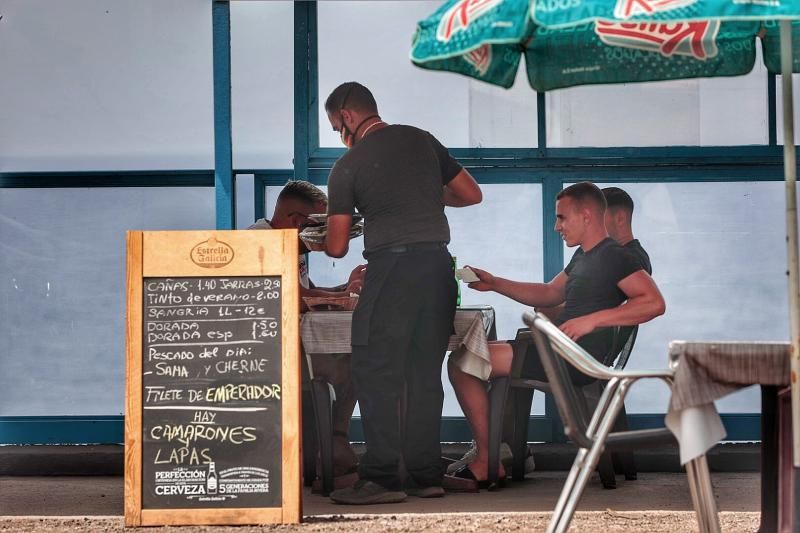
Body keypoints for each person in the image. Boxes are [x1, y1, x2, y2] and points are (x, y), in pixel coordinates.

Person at [314, 81, 482, 504]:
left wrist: (323, 233)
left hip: (391, 271)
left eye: (337, 127)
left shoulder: (348, 166)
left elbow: (336, 246)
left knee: (375, 372)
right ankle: (426, 476)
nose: (339, 136)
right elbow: (470, 194)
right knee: (423, 375)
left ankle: (383, 480)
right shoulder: (423, 141)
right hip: (437, 270)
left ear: (348, 117)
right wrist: (425, 197)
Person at [447, 181, 665, 486]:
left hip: (572, 359)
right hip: (560, 350)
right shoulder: (586, 256)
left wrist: (593, 321)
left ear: (586, 216)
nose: (556, 226)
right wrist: (495, 282)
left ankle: (487, 460)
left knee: (461, 361)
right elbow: (549, 292)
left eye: (562, 218)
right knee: (475, 353)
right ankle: (498, 452)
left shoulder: (615, 255)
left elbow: (654, 302)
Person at [248, 179, 364, 479]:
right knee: (356, 364)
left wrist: (344, 288)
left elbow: (306, 291)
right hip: (264, 355)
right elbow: (291, 297)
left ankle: (334, 442)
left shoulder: (288, 243)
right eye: (322, 226)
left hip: (288, 344)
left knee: (356, 359)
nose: (329, 235)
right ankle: (335, 441)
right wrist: (342, 297)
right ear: (298, 222)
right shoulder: (262, 243)